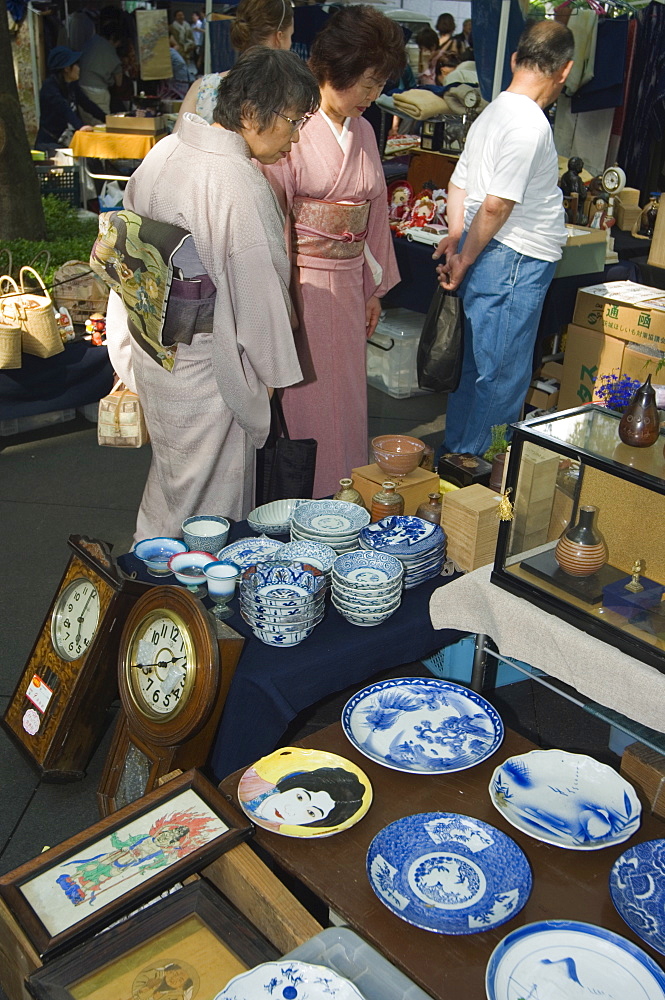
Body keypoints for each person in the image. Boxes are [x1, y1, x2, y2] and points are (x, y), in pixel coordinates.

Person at [102, 48, 319, 539]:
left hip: (157, 349)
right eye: (292, 121)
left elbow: (124, 254)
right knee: (208, 509)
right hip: (206, 366)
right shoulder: (235, 182)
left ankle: (148, 580)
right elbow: (259, 294)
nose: (296, 136)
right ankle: (188, 605)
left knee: (172, 483)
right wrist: (268, 372)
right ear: (248, 114)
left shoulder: (166, 151)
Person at [261, 5, 405, 498]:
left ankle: (348, 497)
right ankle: (305, 498)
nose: (373, 95)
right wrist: (278, 298)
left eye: (380, 84)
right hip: (301, 285)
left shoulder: (365, 130)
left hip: (347, 287)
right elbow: (274, 213)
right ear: (335, 69)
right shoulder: (293, 124)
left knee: (348, 398)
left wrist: (373, 289)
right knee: (307, 399)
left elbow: (376, 211)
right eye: (365, 82)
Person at [433, 20, 574, 459]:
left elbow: (460, 184)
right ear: (564, 72)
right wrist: (464, 254)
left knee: (477, 369)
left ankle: (456, 462)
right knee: (502, 377)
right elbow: (496, 205)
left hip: (491, 253)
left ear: (515, 59)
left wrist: (458, 241)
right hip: (512, 258)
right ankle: (480, 470)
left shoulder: (492, 112)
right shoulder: (529, 124)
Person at [175, 0, 295, 129]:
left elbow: (176, 145)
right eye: (291, 36)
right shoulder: (290, 92)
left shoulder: (203, 87)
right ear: (279, 37)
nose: (291, 43)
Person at [240, 765, 366, 830]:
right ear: (292, 786)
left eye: (311, 813)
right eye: (300, 797)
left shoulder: (274, 827)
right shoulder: (249, 780)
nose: (290, 810)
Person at [35, 45, 105, 152]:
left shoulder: (72, 85)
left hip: (65, 139)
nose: (79, 68)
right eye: (76, 64)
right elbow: (64, 108)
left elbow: (86, 103)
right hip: (49, 143)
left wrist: (107, 118)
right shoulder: (50, 87)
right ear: (67, 68)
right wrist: (80, 126)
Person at [78, 12, 123, 114]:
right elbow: (119, 82)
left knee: (88, 123)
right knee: (101, 125)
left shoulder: (91, 41)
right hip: (97, 91)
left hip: (81, 88)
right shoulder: (110, 50)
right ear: (113, 37)